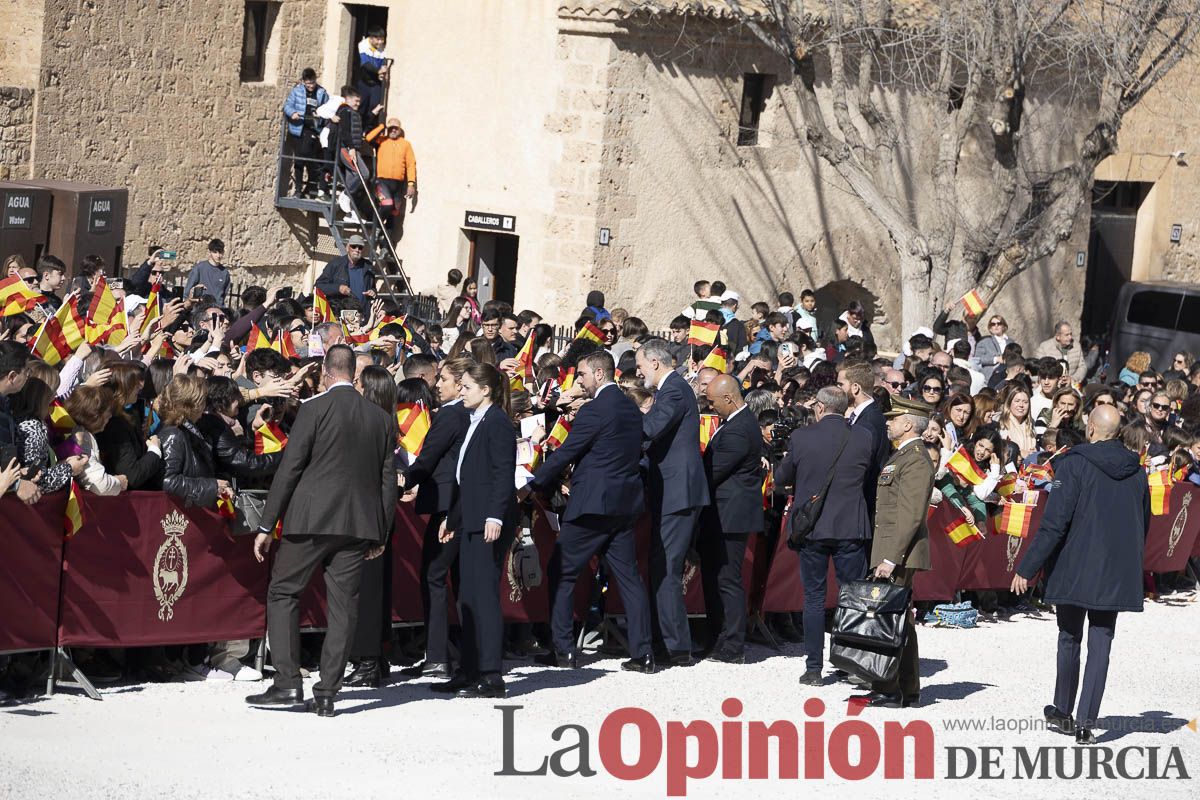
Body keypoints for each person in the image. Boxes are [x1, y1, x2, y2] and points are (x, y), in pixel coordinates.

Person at [246, 345, 398, 717]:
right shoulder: (380, 419)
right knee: (344, 608)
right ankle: (328, 691)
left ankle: (286, 684)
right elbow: (387, 482)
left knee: (283, 593)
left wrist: (267, 523)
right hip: (358, 524)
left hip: (310, 520)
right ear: (354, 374)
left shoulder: (313, 408)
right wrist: (381, 533)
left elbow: (290, 469)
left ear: (328, 372)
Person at [1011, 405, 1149, 745]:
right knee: (1101, 640)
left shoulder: (1073, 463)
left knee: (1069, 636)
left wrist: (1027, 568)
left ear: (1090, 429)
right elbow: (1143, 524)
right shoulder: (1137, 470)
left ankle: (1063, 710)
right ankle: (1087, 721)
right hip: (1115, 568)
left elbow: (1054, 523)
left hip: (1075, 564)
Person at [528, 350, 656, 673]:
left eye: (582, 375)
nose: (578, 381)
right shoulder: (630, 408)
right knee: (629, 578)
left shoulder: (595, 410)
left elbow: (568, 451)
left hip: (591, 506)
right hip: (623, 505)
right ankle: (643, 653)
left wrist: (534, 482)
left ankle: (563, 649)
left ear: (599, 374)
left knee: (562, 571)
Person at [775, 386, 873, 684]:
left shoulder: (802, 437)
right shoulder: (864, 437)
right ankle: (849, 663)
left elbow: (781, 478)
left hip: (813, 527)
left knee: (814, 598)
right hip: (850, 525)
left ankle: (814, 667)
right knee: (851, 599)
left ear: (819, 406)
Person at [433, 363, 517, 698]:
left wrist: (495, 517)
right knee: (467, 595)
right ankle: (468, 669)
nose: (462, 391)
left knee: (483, 596)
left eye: (467, 386)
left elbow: (501, 473)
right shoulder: (474, 420)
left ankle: (491, 673)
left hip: (487, 521)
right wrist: (452, 519)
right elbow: (466, 477)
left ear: (485, 390)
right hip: (470, 518)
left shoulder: (496, 422)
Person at [635, 338, 710, 665]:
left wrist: (621, 411)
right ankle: (667, 641)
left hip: (678, 493)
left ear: (654, 362)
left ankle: (676, 648)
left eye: (640, 366)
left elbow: (651, 427)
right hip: (672, 491)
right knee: (661, 565)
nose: (639, 373)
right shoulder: (672, 389)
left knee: (666, 568)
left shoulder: (674, 390)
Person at [398, 357, 472, 679]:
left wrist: (403, 481)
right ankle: (465, 653)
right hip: (463, 505)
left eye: (443, 379)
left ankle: (438, 656)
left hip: (447, 508)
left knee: (434, 577)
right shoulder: (474, 415)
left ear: (459, 384)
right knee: (460, 581)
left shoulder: (452, 415)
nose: (436, 385)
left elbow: (427, 460)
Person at [860, 395, 936, 709]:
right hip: (891, 548)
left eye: (893, 419)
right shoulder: (903, 455)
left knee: (889, 619)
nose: (888, 423)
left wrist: (891, 558)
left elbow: (911, 514)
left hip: (897, 552)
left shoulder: (915, 458)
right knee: (900, 620)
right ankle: (906, 687)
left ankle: (889, 688)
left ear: (907, 424)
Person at [698, 374, 763, 663]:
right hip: (722, 514)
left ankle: (733, 645)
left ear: (728, 398)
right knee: (715, 577)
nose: (710, 407)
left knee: (727, 579)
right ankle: (719, 636)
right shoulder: (734, 423)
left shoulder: (739, 429)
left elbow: (714, 471)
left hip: (730, 516)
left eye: (712, 402)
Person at [838, 361, 890, 515]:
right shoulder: (866, 415)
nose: (838, 390)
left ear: (855, 388)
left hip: (860, 505)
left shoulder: (868, 421)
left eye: (841, 385)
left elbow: (862, 465)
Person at [365, 117, 417, 239]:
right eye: (391, 128)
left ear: (400, 130)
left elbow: (411, 164)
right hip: (382, 181)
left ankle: (385, 247)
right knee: (387, 205)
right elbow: (368, 138)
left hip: (398, 184)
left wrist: (411, 183)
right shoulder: (381, 141)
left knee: (394, 214)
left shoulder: (406, 144)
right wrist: (382, 126)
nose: (393, 130)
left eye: (396, 128)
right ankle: (376, 227)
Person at [282, 67, 330, 198]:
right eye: (308, 84)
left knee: (309, 158)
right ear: (303, 82)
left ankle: (310, 186)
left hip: (313, 129)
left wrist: (320, 114)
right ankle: (299, 189)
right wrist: (293, 113)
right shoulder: (296, 92)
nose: (310, 86)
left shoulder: (321, 93)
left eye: (312, 83)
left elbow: (328, 108)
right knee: (299, 160)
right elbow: (287, 106)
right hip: (298, 129)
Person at [314, 235, 376, 307]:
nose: (357, 250)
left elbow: (372, 287)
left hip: (362, 313)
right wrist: (338, 288)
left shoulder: (368, 266)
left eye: (360, 247)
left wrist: (373, 292)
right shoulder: (335, 264)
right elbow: (319, 286)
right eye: (354, 246)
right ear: (347, 248)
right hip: (342, 311)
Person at [355, 28, 389, 130]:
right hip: (364, 81)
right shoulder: (363, 45)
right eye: (378, 39)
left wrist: (382, 70)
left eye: (382, 39)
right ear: (371, 38)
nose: (381, 42)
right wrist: (378, 71)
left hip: (376, 83)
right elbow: (365, 64)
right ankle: (358, 130)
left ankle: (368, 130)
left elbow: (383, 62)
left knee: (375, 106)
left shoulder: (383, 48)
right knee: (361, 106)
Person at [183, 239, 230, 304]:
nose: (218, 255)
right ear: (210, 252)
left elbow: (224, 293)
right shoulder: (199, 268)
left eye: (220, 252)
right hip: (201, 309)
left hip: (218, 308)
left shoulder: (225, 272)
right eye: (215, 252)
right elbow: (188, 290)